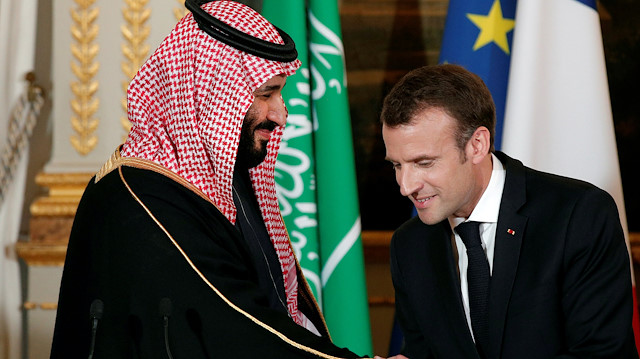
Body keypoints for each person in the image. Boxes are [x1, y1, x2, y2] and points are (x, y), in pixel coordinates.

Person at [50, 1, 361, 358]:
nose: (281, 114)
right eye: (266, 94)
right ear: (212, 92)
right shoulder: (139, 198)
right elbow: (234, 326)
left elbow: (275, 302)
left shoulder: (225, 181)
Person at [380, 64, 638, 359]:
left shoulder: (579, 215)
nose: (405, 186)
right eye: (397, 165)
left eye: (424, 163)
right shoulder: (409, 245)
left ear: (477, 145)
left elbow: (604, 355)